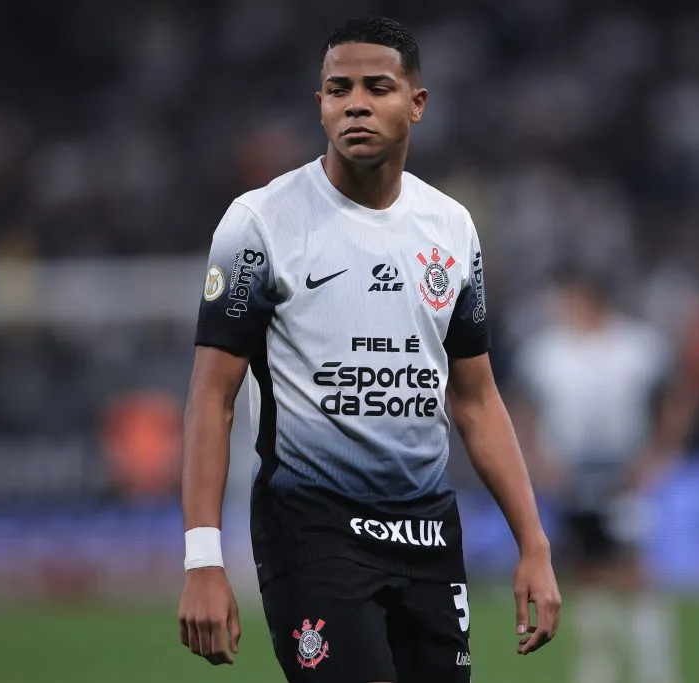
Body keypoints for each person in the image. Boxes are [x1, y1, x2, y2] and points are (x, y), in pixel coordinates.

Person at [176, 16, 561, 683]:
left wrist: (534, 543)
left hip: (427, 534)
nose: (355, 103)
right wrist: (203, 558)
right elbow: (212, 398)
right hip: (312, 531)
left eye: (377, 87)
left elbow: (475, 400)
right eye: (338, 89)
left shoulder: (450, 228)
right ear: (320, 103)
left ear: (417, 103)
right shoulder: (260, 224)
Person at [512, 268, 698, 683]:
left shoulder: (638, 346)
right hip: (571, 475)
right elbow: (521, 408)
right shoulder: (546, 351)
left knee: (633, 571)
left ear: (590, 299)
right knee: (585, 571)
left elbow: (678, 398)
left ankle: (655, 667)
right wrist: (536, 460)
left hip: (622, 474)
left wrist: (659, 455)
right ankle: (596, 668)